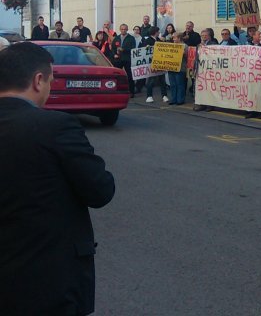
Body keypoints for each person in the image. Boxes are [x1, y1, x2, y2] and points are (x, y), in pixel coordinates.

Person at [0, 42, 115, 315]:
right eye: (51, 81)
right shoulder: (55, 127)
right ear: (38, 81)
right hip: (46, 280)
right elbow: (100, 190)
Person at [143, 26, 169, 104]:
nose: (159, 33)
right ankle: (149, 96)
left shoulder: (159, 40)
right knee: (151, 80)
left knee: (162, 80)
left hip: (160, 63)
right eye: (158, 31)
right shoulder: (147, 40)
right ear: (155, 32)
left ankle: (164, 95)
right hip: (151, 63)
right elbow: (144, 50)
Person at [111, 24, 136, 97]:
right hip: (118, 59)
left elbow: (133, 48)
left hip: (127, 59)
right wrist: (114, 54)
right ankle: (116, 90)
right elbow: (112, 48)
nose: (123, 30)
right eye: (122, 29)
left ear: (127, 29)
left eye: (125, 29)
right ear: (120, 29)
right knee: (116, 76)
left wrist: (124, 50)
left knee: (130, 76)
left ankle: (131, 92)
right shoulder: (116, 38)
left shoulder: (131, 38)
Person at [167, 33, 188, 105]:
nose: (173, 39)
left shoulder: (185, 46)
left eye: (174, 38)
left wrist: (183, 53)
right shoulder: (171, 46)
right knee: (172, 84)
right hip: (171, 67)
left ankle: (180, 100)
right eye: (173, 38)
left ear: (179, 38)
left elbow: (187, 57)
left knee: (180, 84)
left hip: (181, 68)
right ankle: (173, 99)